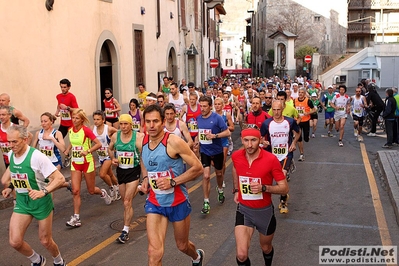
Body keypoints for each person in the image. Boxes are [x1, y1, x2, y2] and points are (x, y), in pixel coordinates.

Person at [138, 104, 205, 265]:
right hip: (155, 202)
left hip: (178, 201)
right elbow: (144, 160)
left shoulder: (174, 142)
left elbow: (198, 168)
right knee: (154, 253)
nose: (151, 125)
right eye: (148, 122)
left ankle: (196, 256)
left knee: (182, 245)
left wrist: (173, 182)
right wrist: (146, 178)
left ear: (163, 122)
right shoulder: (141, 141)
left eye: (155, 121)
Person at [1, 125, 67, 266]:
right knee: (15, 241)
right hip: (22, 202)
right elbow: (17, 174)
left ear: (25, 139)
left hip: (41, 202)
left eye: (14, 142)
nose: (10, 146)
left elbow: (60, 179)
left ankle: (58, 261)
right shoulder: (11, 154)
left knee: (45, 241)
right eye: (9, 142)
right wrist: (11, 187)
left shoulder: (37, 157)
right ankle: (37, 260)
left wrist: (43, 192)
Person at [231, 128, 289, 266]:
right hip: (244, 211)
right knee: (241, 254)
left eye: (253, 140)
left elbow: (284, 188)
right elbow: (235, 169)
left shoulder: (271, 159)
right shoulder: (236, 156)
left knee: (266, 247)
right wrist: (237, 190)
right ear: (242, 140)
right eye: (246, 140)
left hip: (264, 212)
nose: (249, 145)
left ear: (260, 141)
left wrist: (264, 188)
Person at [64, 109, 112, 228]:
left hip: (87, 162)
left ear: (82, 119)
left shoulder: (85, 130)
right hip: (75, 162)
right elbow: (73, 142)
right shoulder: (70, 130)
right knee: (75, 191)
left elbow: (98, 144)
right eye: (73, 118)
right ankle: (76, 217)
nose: (74, 120)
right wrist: (68, 149)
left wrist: (88, 151)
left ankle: (102, 192)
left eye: (77, 118)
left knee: (91, 191)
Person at [108, 114, 144, 243]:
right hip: (121, 171)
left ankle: (125, 231)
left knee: (127, 202)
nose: (123, 127)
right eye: (121, 124)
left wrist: (145, 176)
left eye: (126, 124)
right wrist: (113, 159)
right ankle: (139, 188)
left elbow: (143, 157)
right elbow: (110, 148)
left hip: (133, 171)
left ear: (131, 125)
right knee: (125, 202)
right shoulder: (115, 136)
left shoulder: (138, 137)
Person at [261, 101, 300, 214]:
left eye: (278, 109)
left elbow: (298, 132)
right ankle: (267, 202)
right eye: (274, 110)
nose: (276, 112)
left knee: (282, 176)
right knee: (269, 179)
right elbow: (260, 137)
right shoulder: (266, 123)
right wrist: (264, 142)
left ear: (282, 109)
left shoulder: (290, 121)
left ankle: (283, 201)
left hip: (285, 154)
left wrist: (293, 143)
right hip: (271, 155)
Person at [196, 96, 231, 214]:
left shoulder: (217, 118)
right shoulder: (198, 118)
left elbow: (227, 132)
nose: (202, 108)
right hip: (205, 151)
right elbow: (199, 133)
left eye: (205, 106)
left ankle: (220, 189)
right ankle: (206, 201)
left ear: (210, 106)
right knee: (206, 176)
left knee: (219, 173)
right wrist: (197, 141)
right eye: (201, 106)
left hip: (217, 151)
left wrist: (215, 136)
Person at [92, 110, 121, 201]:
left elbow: (120, 134)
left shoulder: (108, 128)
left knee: (102, 174)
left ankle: (112, 188)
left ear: (103, 120)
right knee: (110, 174)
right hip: (100, 156)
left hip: (109, 155)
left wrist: (115, 144)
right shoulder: (92, 128)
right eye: (94, 119)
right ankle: (118, 187)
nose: (96, 121)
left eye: (98, 119)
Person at [294, 88, 315, 160]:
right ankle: (301, 154)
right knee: (299, 138)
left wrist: (308, 113)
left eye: (302, 92)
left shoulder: (308, 101)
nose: (300, 94)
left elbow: (314, 109)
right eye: (299, 92)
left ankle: (307, 136)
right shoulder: (295, 100)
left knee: (306, 139)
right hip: (298, 121)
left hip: (306, 121)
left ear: (304, 93)